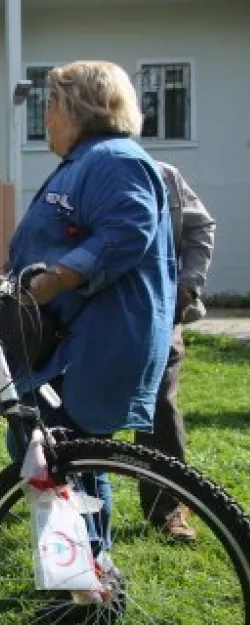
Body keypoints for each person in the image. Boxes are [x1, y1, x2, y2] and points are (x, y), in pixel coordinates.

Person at [7, 61, 176, 613]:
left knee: (65, 460)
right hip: (68, 338)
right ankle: (83, 583)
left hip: (94, 339)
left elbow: (126, 232)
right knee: (56, 455)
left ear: (80, 107)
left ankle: (87, 591)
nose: (46, 118)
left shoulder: (114, 159)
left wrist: (52, 280)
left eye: (51, 106)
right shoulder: (86, 162)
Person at [132, 161, 216, 541]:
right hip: (95, 316)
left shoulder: (163, 174)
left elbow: (200, 226)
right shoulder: (80, 171)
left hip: (161, 312)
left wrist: (189, 283)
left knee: (159, 409)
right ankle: (67, 508)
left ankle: (168, 509)